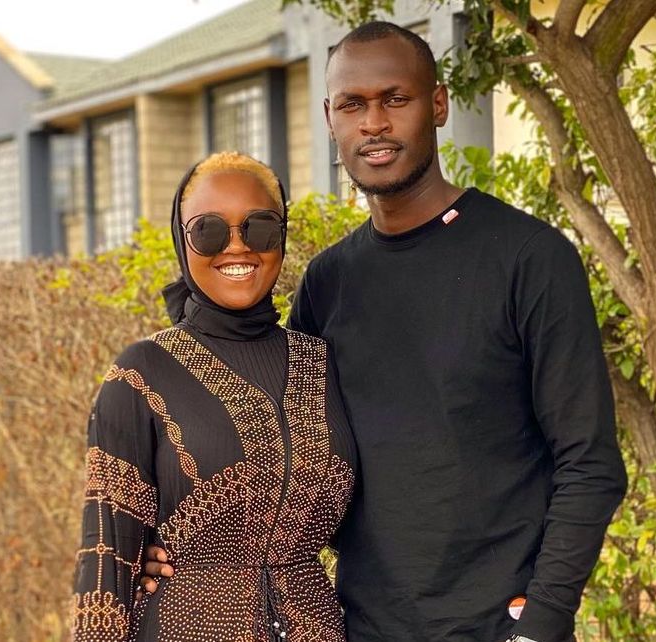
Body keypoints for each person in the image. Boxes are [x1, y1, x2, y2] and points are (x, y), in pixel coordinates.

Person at [141, 21, 627, 642]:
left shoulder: (529, 258)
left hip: (499, 626)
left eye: (395, 99)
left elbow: (589, 462)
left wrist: (542, 621)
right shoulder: (328, 282)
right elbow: (280, 458)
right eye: (352, 104)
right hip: (359, 628)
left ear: (438, 105)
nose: (374, 123)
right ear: (330, 119)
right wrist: (175, 548)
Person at [70, 152, 357, 641]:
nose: (237, 246)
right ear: (182, 241)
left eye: (259, 227)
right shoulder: (142, 373)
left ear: (282, 235)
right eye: (209, 231)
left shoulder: (324, 363)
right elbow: (105, 564)